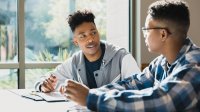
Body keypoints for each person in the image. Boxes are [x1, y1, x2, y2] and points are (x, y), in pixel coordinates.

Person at [61, 0, 200, 111]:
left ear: (163, 34)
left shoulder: (194, 66)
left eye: (146, 29)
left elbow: (162, 101)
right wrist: (89, 94)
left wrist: (90, 98)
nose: (144, 34)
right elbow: (132, 84)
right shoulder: (161, 62)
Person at [34, 10, 141, 92]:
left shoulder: (122, 57)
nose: (90, 39)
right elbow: (44, 79)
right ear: (75, 42)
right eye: (83, 36)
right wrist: (44, 85)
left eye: (93, 33)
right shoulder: (74, 62)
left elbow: (141, 90)